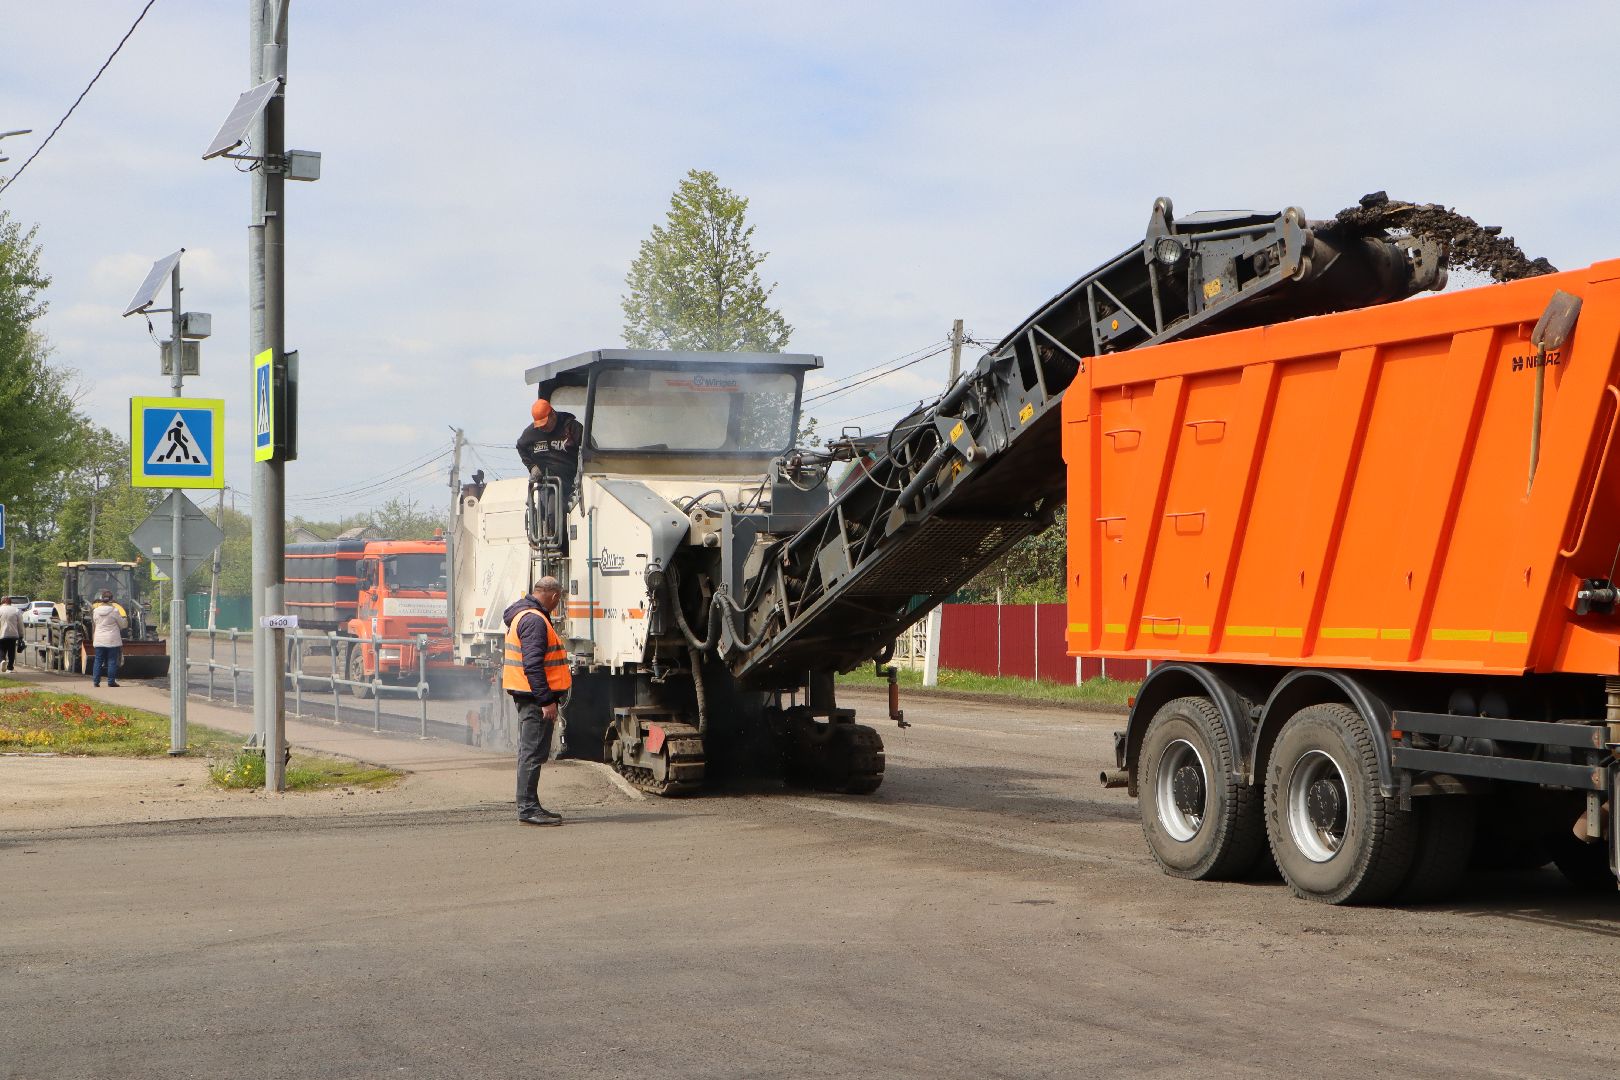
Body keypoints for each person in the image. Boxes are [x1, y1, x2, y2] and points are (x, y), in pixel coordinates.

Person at [502, 576, 571, 825]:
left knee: (531, 752)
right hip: (533, 698)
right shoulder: (534, 620)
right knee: (531, 753)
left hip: (530, 696)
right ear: (553, 596)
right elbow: (532, 665)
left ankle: (531, 805)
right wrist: (546, 701)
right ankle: (528, 808)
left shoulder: (525, 615)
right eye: (558, 600)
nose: (558, 604)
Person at [517, 398, 584, 547]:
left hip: (573, 481)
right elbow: (520, 447)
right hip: (550, 483)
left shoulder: (571, 428)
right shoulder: (531, 433)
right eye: (539, 425)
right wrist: (532, 467)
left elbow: (588, 449)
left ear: (552, 414)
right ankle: (563, 548)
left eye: (545, 424)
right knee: (552, 513)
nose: (543, 428)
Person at [91, 589, 128, 687]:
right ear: (111, 600)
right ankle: (111, 682)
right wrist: (124, 620)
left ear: (101, 599)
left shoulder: (95, 611)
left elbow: (95, 623)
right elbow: (122, 625)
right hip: (112, 639)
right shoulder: (115, 611)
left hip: (99, 639)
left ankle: (96, 682)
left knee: (98, 660)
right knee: (112, 661)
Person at [0, 596, 21, 672]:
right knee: (11, 650)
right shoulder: (16, 610)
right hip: (13, 634)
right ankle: (10, 667)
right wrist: (21, 635)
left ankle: (2, 660)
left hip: (2, 634)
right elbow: (20, 624)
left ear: (2, 602)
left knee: (1, 649)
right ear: (10, 602)